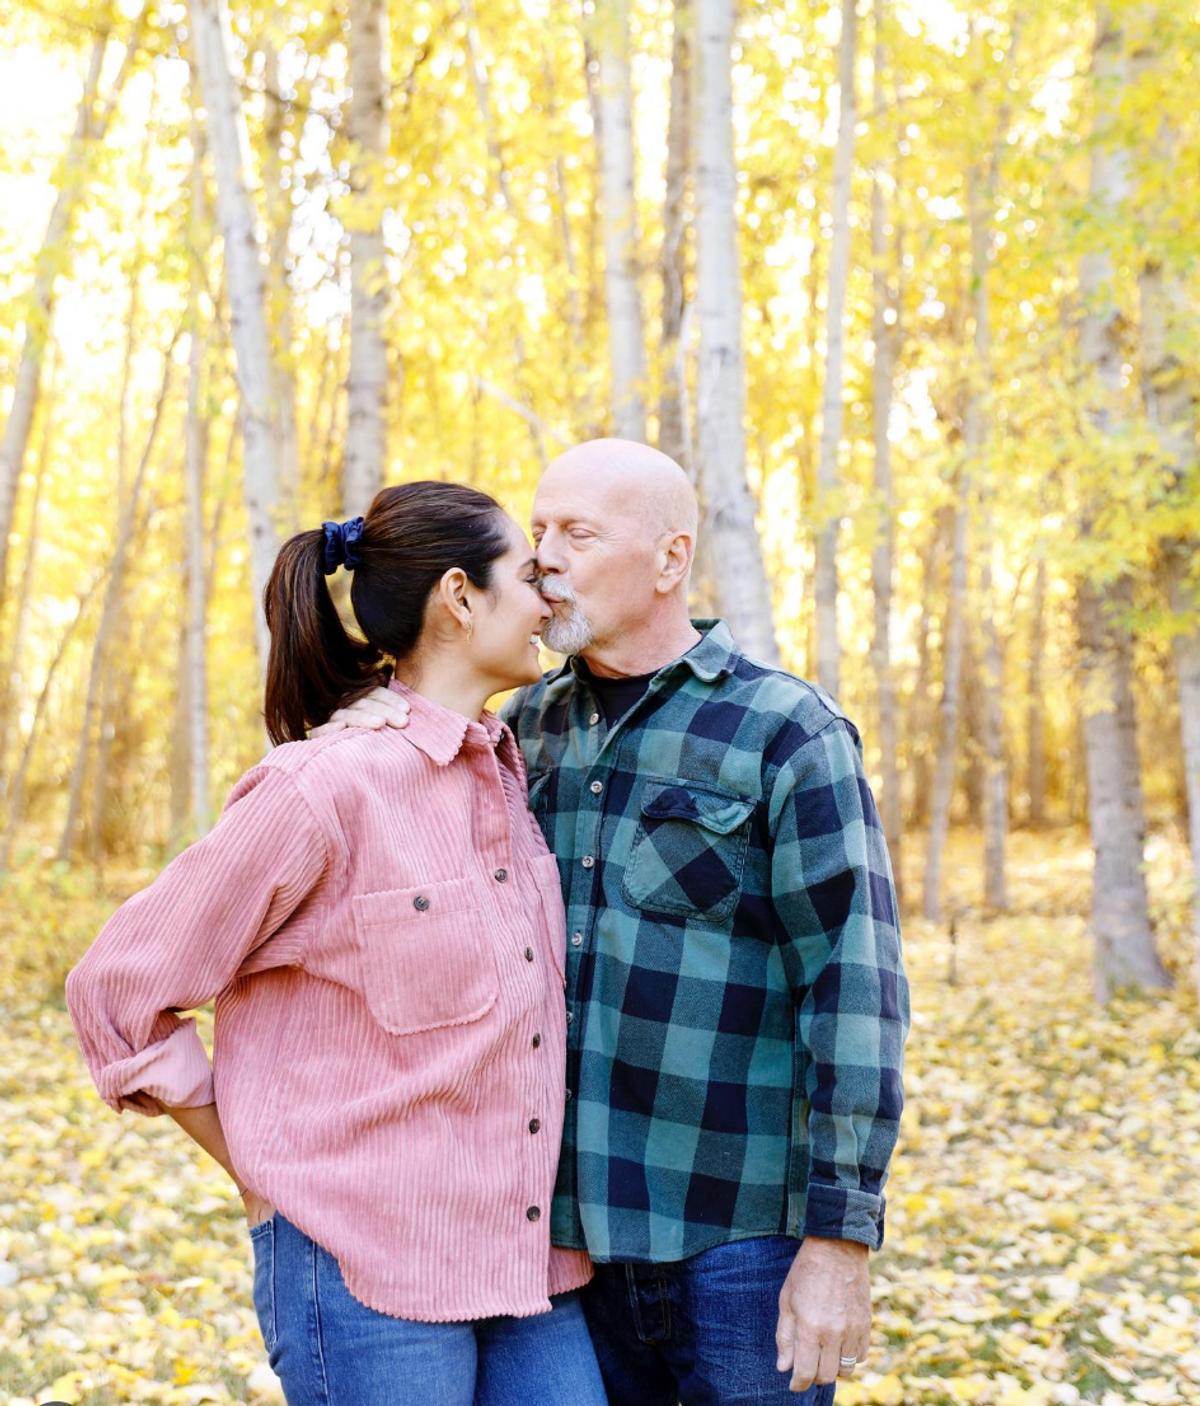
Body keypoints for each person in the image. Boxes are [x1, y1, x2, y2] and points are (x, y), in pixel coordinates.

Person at [318, 440, 911, 1404]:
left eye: (578, 534)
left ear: (671, 560)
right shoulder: (518, 731)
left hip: (738, 1242)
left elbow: (855, 994)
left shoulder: (786, 732)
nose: (544, 557)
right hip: (559, 1253)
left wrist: (839, 1242)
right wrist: (378, 719)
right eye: (538, 530)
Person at [65, 481, 609, 1406]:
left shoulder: (508, 772)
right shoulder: (322, 788)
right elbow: (116, 989)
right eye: (527, 576)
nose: (547, 598)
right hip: (364, 1272)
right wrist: (260, 1176)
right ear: (459, 596)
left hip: (527, 1263)